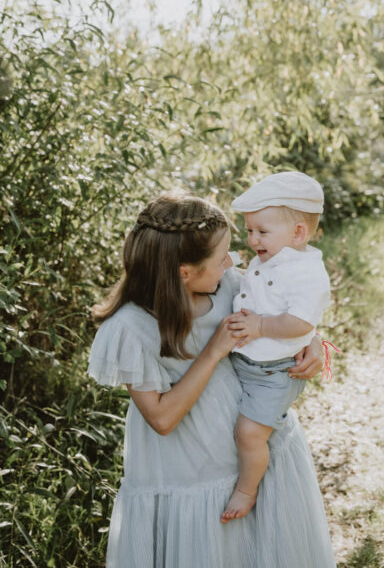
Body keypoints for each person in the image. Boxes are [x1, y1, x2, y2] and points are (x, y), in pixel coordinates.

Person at [87, 189, 335, 568]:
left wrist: (314, 342)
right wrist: (214, 350)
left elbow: (281, 313)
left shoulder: (229, 285)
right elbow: (161, 418)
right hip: (190, 474)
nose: (233, 262)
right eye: (222, 258)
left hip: (256, 460)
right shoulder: (132, 328)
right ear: (184, 272)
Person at [221, 171, 331, 523]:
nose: (253, 239)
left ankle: (247, 489)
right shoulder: (269, 257)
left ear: (298, 232)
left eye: (261, 231)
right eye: (250, 230)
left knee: (249, 433)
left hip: (274, 372)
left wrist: (261, 325)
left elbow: (301, 323)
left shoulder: (307, 272)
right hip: (249, 364)